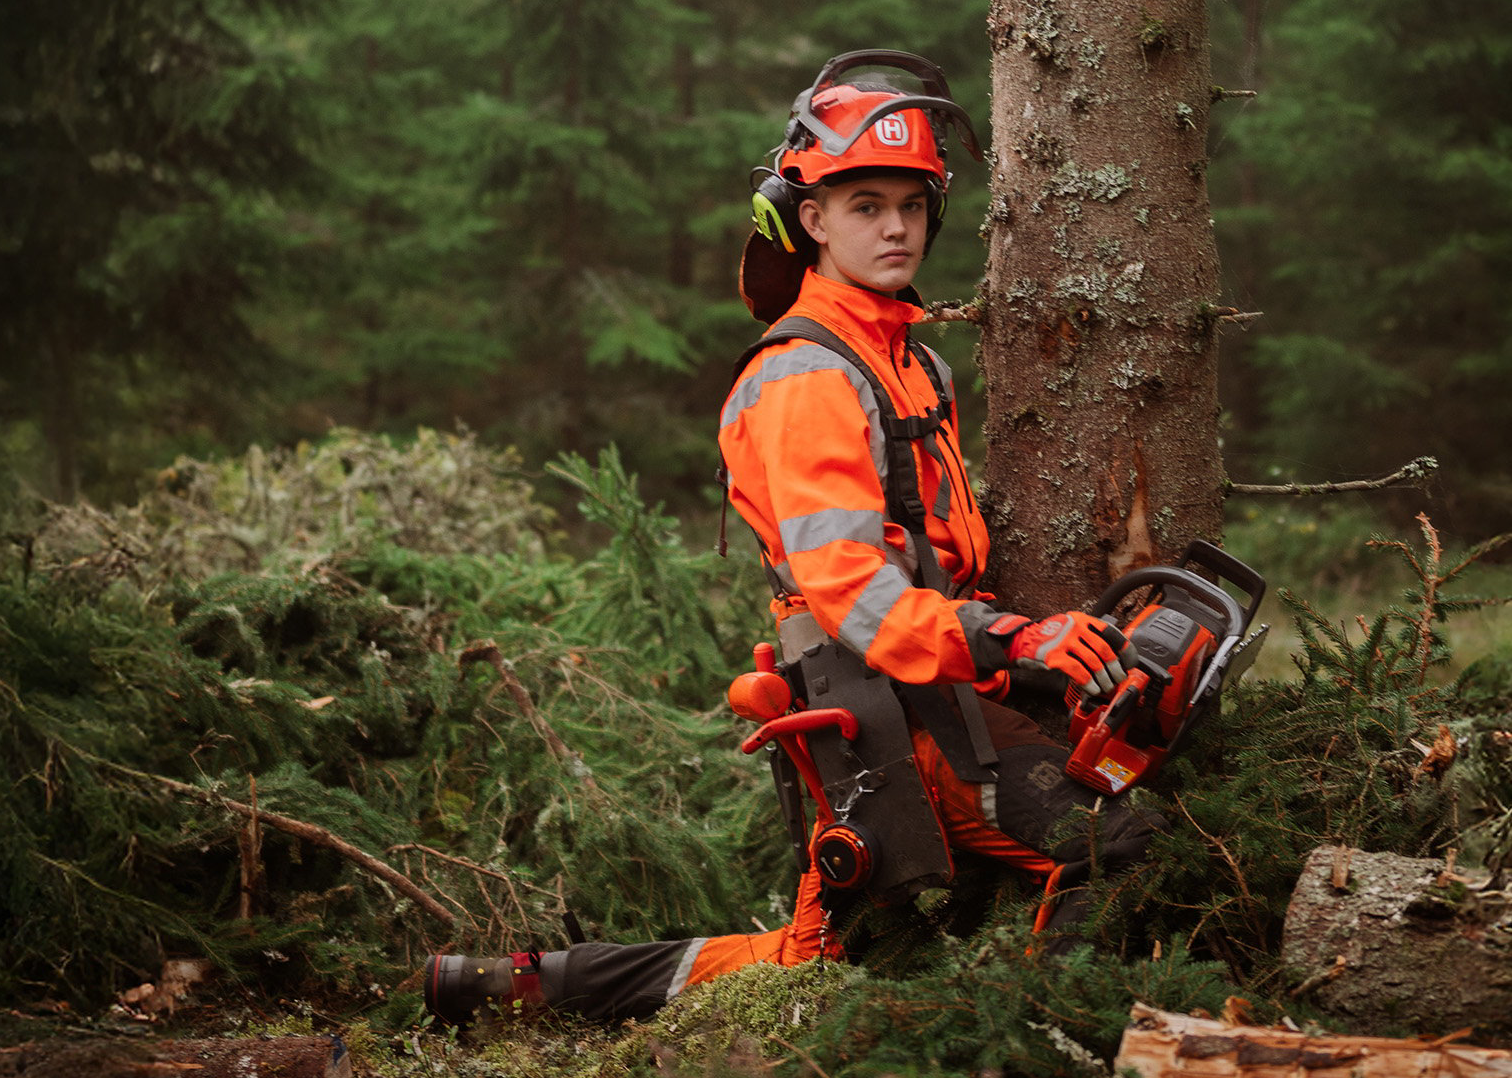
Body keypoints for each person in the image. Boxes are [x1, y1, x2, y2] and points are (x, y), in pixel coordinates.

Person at [423, 50, 1160, 1026]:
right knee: (1120, 844)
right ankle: (1034, 1039)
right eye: (865, 204)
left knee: (804, 964)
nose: (895, 225)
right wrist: (1011, 640)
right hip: (892, 721)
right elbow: (854, 590)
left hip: (929, 697)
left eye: (910, 202)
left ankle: (515, 983)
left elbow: (937, 557)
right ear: (811, 218)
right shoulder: (810, 376)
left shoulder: (909, 360)